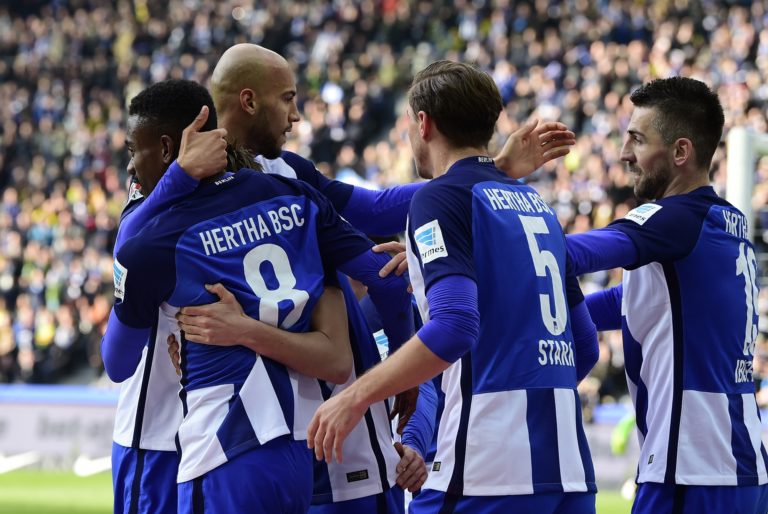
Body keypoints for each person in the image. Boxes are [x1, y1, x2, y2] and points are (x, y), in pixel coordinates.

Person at [167, 43, 577, 514]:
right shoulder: (184, 177)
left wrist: (486, 171)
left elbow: (378, 220)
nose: (297, 116)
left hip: (286, 429)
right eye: (288, 99)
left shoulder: (285, 173)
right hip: (257, 421)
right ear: (249, 101)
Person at [102, 79, 415, 513]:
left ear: (169, 148)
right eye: (287, 98)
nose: (131, 167)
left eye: (133, 151)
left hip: (212, 446)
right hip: (295, 453)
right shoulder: (296, 196)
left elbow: (117, 362)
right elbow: (387, 279)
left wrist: (239, 330)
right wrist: (404, 370)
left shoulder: (154, 237)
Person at [308, 60, 599, 514]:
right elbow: (584, 344)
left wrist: (355, 396)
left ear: (423, 123)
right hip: (569, 469)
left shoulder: (438, 198)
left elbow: (455, 325)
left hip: (488, 469)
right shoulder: (536, 204)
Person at [564, 77, 768, 514]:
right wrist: (552, 311)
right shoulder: (725, 223)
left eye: (637, 140)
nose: (624, 153)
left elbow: (573, 254)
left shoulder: (674, 218)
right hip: (741, 464)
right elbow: (630, 303)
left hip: (690, 470)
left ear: (680, 152)